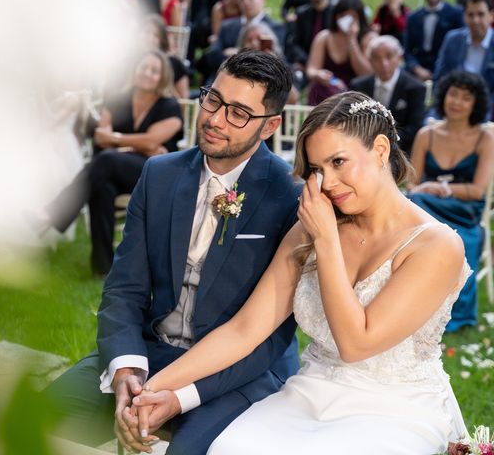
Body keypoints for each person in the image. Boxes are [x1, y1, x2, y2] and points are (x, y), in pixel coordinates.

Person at [132, 91, 470, 454]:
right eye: (317, 169)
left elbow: (357, 344)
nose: (327, 182)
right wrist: (150, 389)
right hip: (310, 393)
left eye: (339, 161)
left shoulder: (435, 246)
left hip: (395, 408)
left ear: (381, 150)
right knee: (228, 448)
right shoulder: (310, 229)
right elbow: (245, 330)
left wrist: (326, 241)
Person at [44, 49, 301, 455]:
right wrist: (127, 369)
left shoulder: (291, 197)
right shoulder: (159, 175)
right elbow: (124, 290)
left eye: (237, 113)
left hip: (237, 375)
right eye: (213, 99)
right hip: (148, 351)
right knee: (33, 426)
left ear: (270, 126)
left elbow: (269, 338)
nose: (214, 119)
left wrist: (177, 396)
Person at [31, 50, 183, 276]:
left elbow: (152, 140)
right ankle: (103, 269)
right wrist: (141, 146)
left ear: (162, 77)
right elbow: (102, 137)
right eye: (144, 68)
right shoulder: (118, 100)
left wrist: (120, 141)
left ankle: (52, 214)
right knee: (102, 186)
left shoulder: (170, 106)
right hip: (119, 170)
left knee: (107, 160)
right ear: (135, 70)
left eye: (154, 70)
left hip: (156, 174)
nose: (147, 73)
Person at [409, 71, 494, 332]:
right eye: (453, 94)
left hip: (464, 211)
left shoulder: (486, 138)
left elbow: (478, 190)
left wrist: (441, 188)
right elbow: (412, 182)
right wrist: (424, 189)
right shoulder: (427, 135)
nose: (456, 101)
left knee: (463, 240)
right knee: (412, 202)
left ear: (475, 103)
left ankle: (455, 316)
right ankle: (409, 305)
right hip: (426, 206)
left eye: (465, 97)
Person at [350, 35, 426, 156]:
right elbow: (353, 122)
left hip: (400, 153)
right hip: (363, 151)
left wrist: (382, 144)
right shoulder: (358, 86)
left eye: (389, 56)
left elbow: (414, 128)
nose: (383, 63)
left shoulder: (415, 87)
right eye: (376, 58)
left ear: (399, 58)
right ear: (369, 60)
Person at [306, 0, 376, 105]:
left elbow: (366, 74)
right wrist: (318, 74)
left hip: (356, 96)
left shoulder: (368, 38)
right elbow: (311, 69)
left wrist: (352, 41)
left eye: (352, 17)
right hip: (328, 92)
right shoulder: (324, 37)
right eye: (343, 16)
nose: (347, 21)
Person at [434, 0, 494, 112]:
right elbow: (440, 78)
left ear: (491, 15)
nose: (475, 20)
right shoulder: (452, 39)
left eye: (481, 14)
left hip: (487, 111)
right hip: (452, 106)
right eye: (470, 15)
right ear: (464, 16)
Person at [403, 0, 464, 83]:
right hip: (418, 67)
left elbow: (459, 47)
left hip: (446, 67)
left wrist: (440, 71)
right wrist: (416, 68)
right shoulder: (413, 17)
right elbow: (407, 49)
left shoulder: (456, 14)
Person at [285, 0, 334, 81]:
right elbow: (294, 42)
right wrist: (306, 61)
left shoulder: (336, 13)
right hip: (305, 62)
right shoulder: (302, 14)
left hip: (330, 64)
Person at [140, 14, 190, 98]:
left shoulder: (174, 63)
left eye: (156, 35)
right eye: (147, 32)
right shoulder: (130, 59)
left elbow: (184, 102)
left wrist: (165, 80)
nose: (149, 37)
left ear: (162, 40)